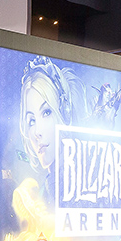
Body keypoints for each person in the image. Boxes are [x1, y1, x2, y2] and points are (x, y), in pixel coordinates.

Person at [17, 56, 81, 195]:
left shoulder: (79, 183)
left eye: (46, 112)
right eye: (31, 121)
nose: (37, 132)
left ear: (64, 112)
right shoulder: (45, 190)